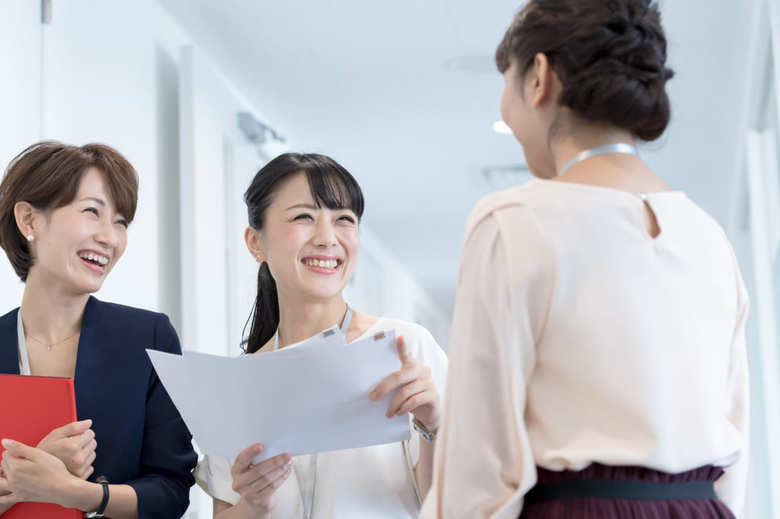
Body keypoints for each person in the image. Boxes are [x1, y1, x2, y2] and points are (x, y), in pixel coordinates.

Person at [420, 1, 748, 517]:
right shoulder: (708, 236)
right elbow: (734, 441)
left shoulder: (514, 222)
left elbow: (478, 467)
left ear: (539, 77)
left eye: (507, 81)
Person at [194, 152, 447, 518]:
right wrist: (253, 505)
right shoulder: (237, 385)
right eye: (304, 217)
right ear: (255, 242)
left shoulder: (404, 348)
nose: (328, 238)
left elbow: (455, 506)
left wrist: (434, 427)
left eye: (344, 219)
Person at [0, 141, 197, 518]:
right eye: (92, 211)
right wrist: (27, 471)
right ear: (29, 220)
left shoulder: (149, 339)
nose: (111, 238)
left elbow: (171, 490)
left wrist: (74, 492)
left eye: (121, 222)